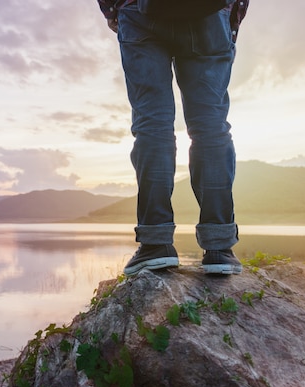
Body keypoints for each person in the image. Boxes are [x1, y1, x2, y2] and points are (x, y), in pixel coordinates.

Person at [96, 0, 249, 276]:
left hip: (139, 11)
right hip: (211, 13)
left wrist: (112, 9)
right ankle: (219, 247)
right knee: (210, 126)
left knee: (153, 124)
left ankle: (156, 243)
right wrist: (233, 15)